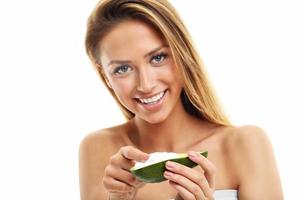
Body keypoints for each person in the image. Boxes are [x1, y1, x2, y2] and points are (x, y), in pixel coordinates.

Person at [79, 0, 283, 199]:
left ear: (182, 52)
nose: (146, 85)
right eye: (123, 69)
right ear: (105, 76)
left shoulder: (245, 144)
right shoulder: (100, 148)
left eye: (158, 58)